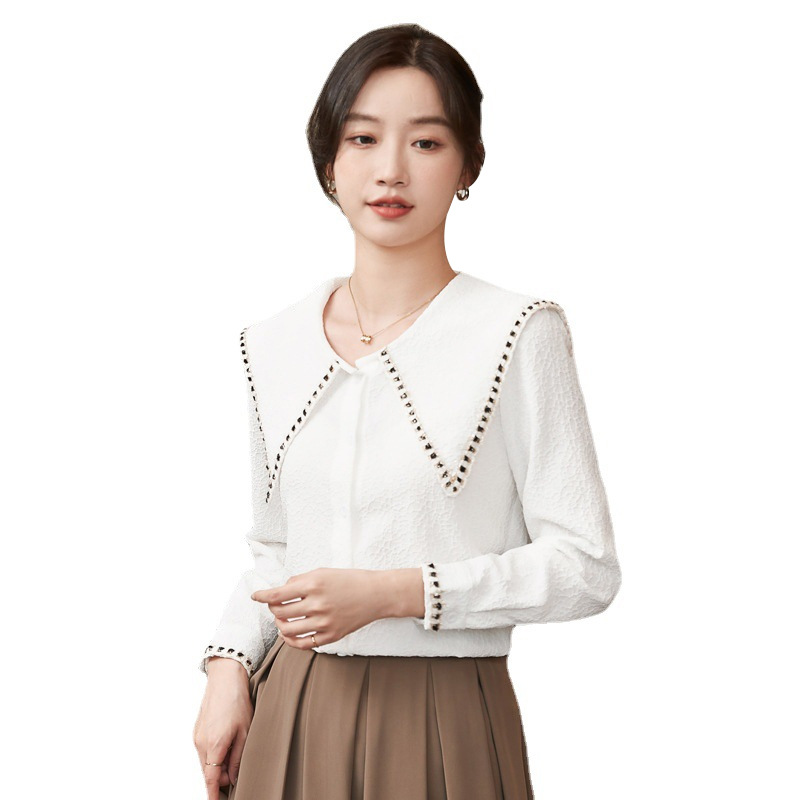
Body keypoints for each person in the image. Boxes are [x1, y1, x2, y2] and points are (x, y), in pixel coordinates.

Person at [193, 22, 622, 800]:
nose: (391, 169)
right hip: (292, 705)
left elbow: (584, 567)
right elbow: (277, 546)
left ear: (468, 164)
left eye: (426, 142)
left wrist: (398, 593)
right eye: (363, 138)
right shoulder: (272, 343)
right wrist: (227, 668)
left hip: (445, 713)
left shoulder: (517, 333)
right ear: (329, 160)